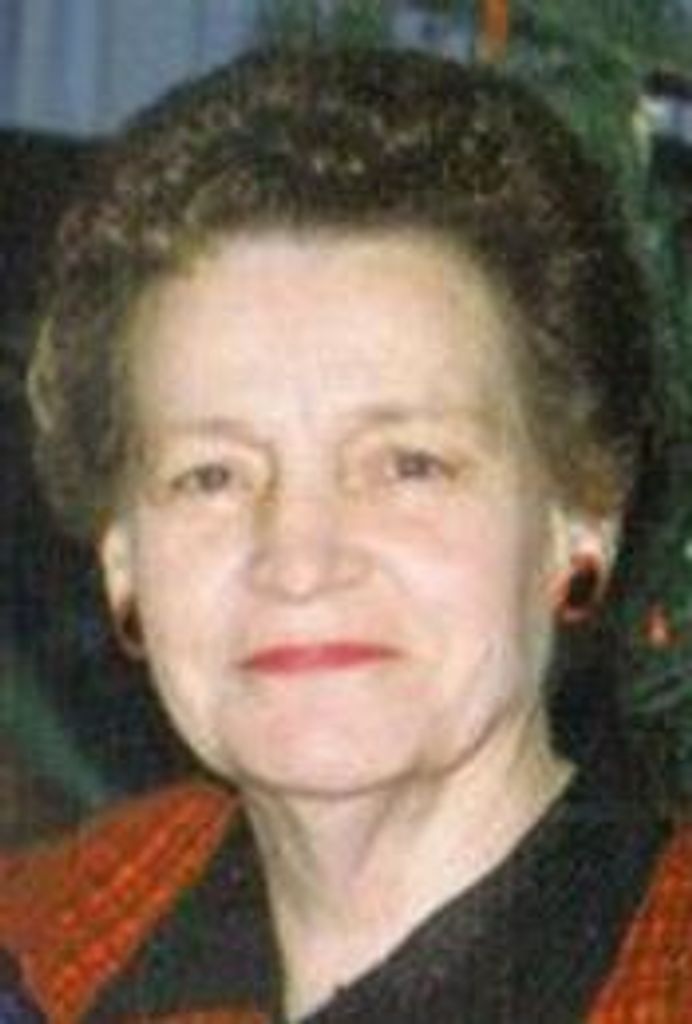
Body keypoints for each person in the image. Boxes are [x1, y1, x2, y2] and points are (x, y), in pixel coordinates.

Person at [1, 47, 691, 1023]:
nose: (299, 561)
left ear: (578, 519)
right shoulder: (42, 941)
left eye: (407, 464)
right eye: (212, 475)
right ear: (122, 558)